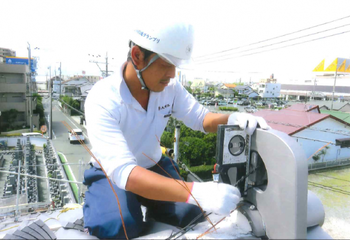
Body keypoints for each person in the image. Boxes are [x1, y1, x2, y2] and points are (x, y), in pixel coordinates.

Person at [83, 21, 269, 239]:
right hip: (111, 173)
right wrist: (194, 191)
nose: (172, 74)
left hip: (153, 164)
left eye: (176, 65)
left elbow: (202, 118)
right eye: (165, 64)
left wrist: (233, 118)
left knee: (190, 213)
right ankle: (104, 203)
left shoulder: (169, 89)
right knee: (120, 226)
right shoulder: (103, 98)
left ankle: (150, 202)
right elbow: (125, 172)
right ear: (136, 56)